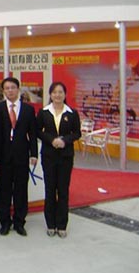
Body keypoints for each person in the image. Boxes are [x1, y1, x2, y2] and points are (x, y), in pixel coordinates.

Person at [0, 77, 38, 237]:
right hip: (3, 156)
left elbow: (32, 134)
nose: (10, 90)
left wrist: (34, 153)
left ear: (18, 89)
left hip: (21, 155)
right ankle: (5, 222)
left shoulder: (28, 109)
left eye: (13, 87)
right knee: (3, 190)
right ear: (3, 91)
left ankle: (19, 222)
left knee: (21, 190)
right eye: (7, 88)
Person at [36, 82, 81, 238]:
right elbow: (38, 131)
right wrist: (51, 140)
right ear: (50, 94)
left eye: (60, 92)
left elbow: (77, 133)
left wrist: (64, 141)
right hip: (48, 156)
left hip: (65, 156)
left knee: (63, 190)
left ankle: (62, 225)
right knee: (50, 190)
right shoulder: (43, 112)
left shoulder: (72, 113)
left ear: (65, 94)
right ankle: (50, 224)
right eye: (54, 92)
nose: (57, 95)